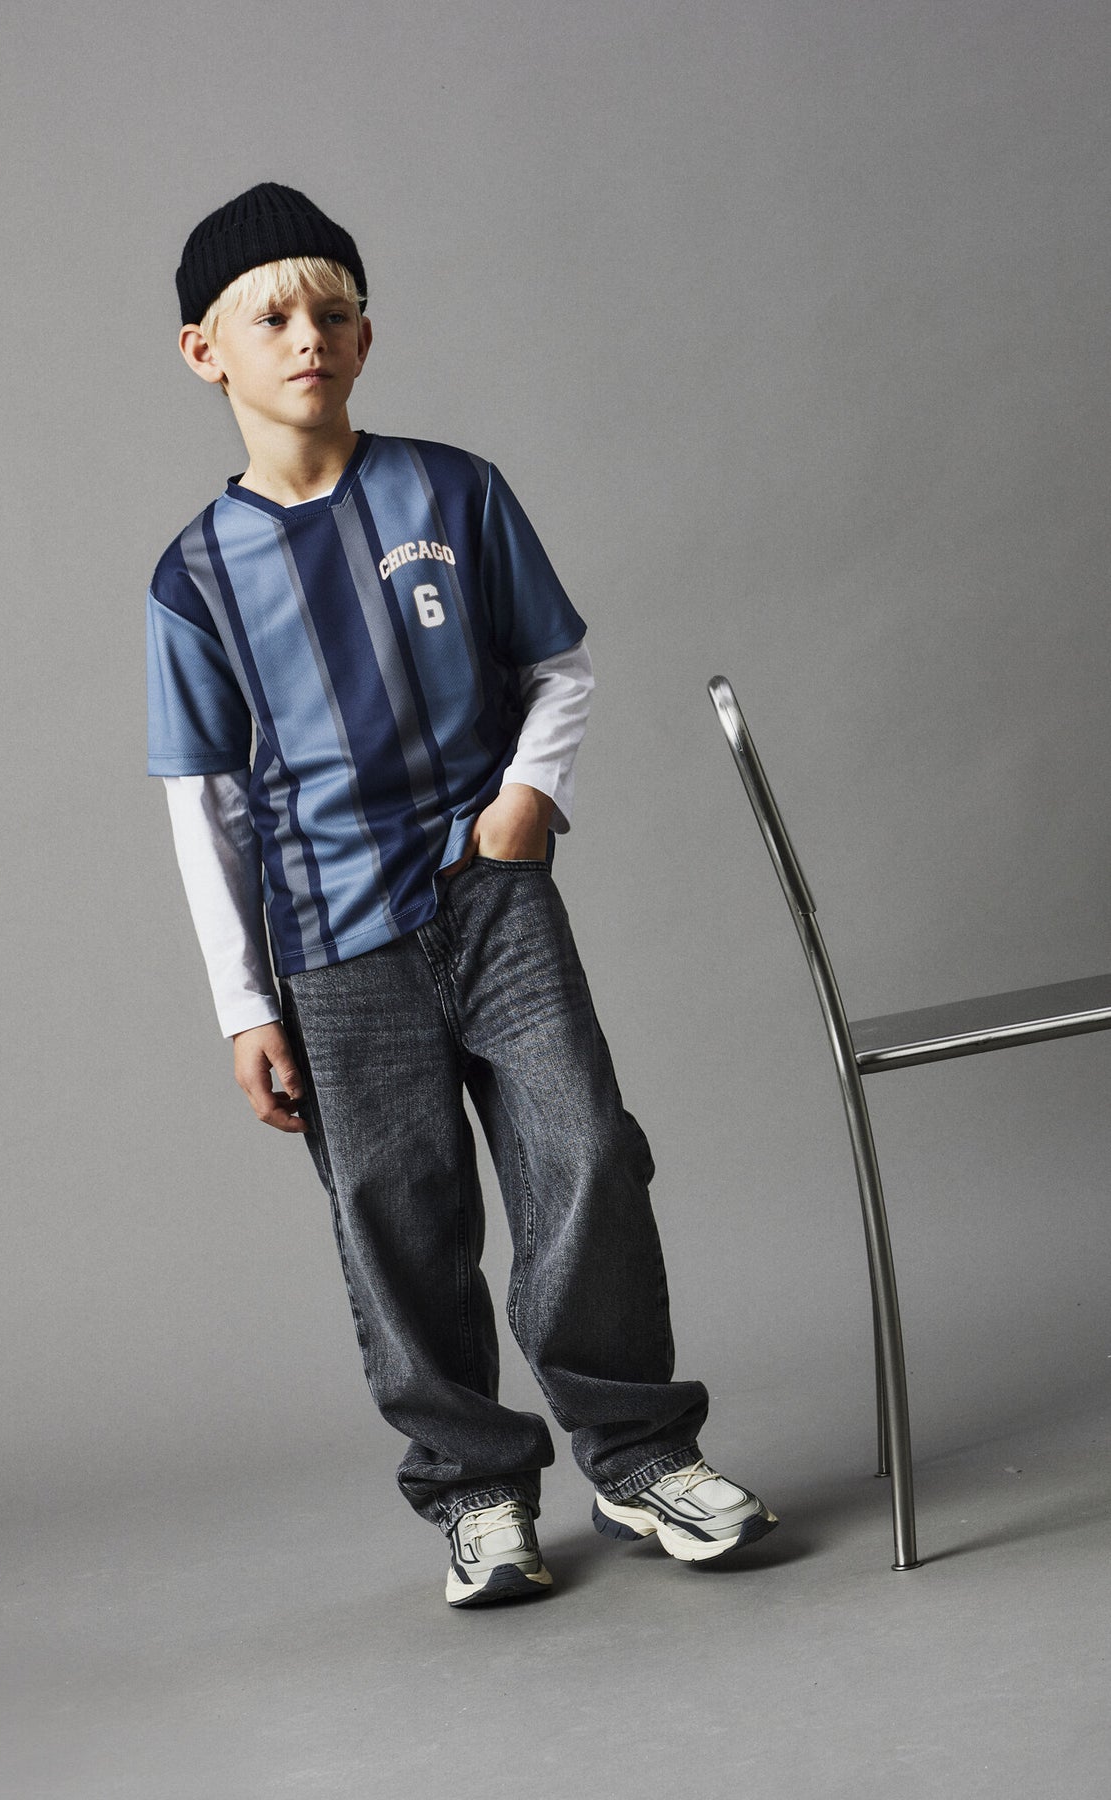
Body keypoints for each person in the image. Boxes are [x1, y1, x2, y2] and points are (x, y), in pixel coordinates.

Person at [146, 182, 777, 1608]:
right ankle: (476, 1488)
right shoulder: (193, 580)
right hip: (332, 945)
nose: (306, 336)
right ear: (205, 353)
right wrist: (243, 1004)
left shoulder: (453, 492)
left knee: (585, 1150)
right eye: (271, 316)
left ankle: (639, 1455)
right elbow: (208, 804)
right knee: (396, 1213)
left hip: (493, 904)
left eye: (332, 312)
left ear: (366, 337)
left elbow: (558, 668)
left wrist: (523, 803)